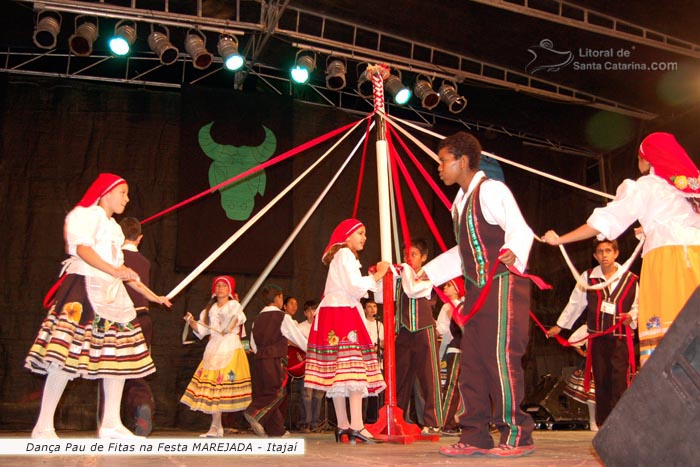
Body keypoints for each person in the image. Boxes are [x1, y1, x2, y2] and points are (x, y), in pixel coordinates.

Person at [25, 173, 172, 439]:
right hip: (83, 291)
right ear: (106, 192)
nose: (127, 199)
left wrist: (153, 296)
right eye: (123, 193)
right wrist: (114, 270)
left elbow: (124, 270)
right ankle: (44, 425)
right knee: (64, 357)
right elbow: (83, 250)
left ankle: (111, 424)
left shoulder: (115, 228)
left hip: (112, 296)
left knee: (116, 359)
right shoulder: (84, 215)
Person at [421, 132, 536, 457]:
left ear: (463, 161)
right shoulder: (460, 204)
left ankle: (518, 433)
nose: (439, 168)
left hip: (502, 284)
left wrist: (512, 248)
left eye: (443, 161)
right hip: (475, 292)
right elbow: (464, 250)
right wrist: (429, 272)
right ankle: (475, 434)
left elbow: (519, 228)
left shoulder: (491, 190)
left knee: (499, 357)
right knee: (471, 362)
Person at [542, 132, 700, 366]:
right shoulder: (687, 190)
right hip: (694, 262)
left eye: (639, 158)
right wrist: (648, 231)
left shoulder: (645, 186)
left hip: (669, 263)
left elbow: (602, 222)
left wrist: (561, 239)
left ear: (647, 160)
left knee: (670, 345)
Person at [304, 218, 389, 444]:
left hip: (333, 313)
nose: (364, 237)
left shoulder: (340, 257)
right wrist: (378, 275)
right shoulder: (346, 254)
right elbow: (354, 286)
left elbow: (353, 287)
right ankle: (358, 425)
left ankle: (343, 426)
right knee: (354, 369)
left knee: (340, 374)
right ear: (348, 235)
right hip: (342, 313)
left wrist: (370, 280)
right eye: (360, 233)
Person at [546, 239, 638, 428]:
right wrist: (560, 326)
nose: (604, 255)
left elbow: (638, 306)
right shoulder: (587, 277)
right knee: (601, 383)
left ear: (616, 253)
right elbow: (575, 304)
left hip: (620, 339)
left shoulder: (630, 279)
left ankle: (620, 425)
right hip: (597, 340)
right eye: (600, 252)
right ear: (595, 256)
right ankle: (604, 426)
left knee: (620, 382)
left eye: (608, 251)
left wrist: (631, 316)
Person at [181, 276, 252, 438]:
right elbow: (202, 330)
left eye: (224, 286)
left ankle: (215, 427)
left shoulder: (234, 305)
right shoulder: (209, 310)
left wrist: (229, 327)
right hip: (213, 349)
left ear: (230, 290)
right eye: (218, 285)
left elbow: (238, 318)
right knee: (213, 389)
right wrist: (191, 322)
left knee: (220, 388)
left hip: (229, 347)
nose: (220, 288)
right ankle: (216, 426)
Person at [392, 239, 442, 435]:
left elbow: (413, 290)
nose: (409, 259)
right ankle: (397, 418)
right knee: (400, 376)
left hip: (423, 328)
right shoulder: (401, 276)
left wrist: (403, 269)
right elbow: (381, 296)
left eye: (414, 255)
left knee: (429, 376)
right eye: (406, 255)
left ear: (423, 258)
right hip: (404, 330)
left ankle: (433, 421)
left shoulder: (429, 277)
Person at [245, 284, 308, 438]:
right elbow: (297, 338)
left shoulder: (257, 318)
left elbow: (253, 344)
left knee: (265, 392)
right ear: (278, 298)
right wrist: (312, 350)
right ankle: (253, 411)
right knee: (277, 393)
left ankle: (277, 431)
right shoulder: (282, 317)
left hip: (259, 360)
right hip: (275, 359)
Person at [118, 217, 155, 436]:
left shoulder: (114, 259)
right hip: (143, 319)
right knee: (137, 369)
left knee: (112, 370)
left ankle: (110, 420)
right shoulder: (145, 263)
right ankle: (142, 404)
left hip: (121, 319)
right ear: (139, 238)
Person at [435, 277, 465, 436]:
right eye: (445, 285)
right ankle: (446, 422)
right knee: (452, 387)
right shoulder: (449, 306)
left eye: (449, 285)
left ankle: (454, 420)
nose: (445, 288)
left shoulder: (462, 305)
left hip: (464, 350)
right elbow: (443, 330)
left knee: (459, 388)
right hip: (455, 349)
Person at [297, 300, 324, 432]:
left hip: (320, 363)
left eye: (315, 310)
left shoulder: (323, 326)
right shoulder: (300, 327)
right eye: (309, 311)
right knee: (306, 394)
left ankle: (315, 422)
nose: (312, 313)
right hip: (306, 364)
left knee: (318, 394)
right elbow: (292, 342)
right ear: (305, 313)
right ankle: (305, 423)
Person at [362, 298, 384, 424]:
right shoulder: (362, 323)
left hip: (376, 360)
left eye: (374, 306)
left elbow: (384, 342)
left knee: (375, 390)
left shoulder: (379, 324)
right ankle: (362, 418)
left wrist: (380, 345)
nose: (372, 309)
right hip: (364, 360)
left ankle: (373, 418)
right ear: (364, 310)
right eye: (369, 307)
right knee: (364, 390)